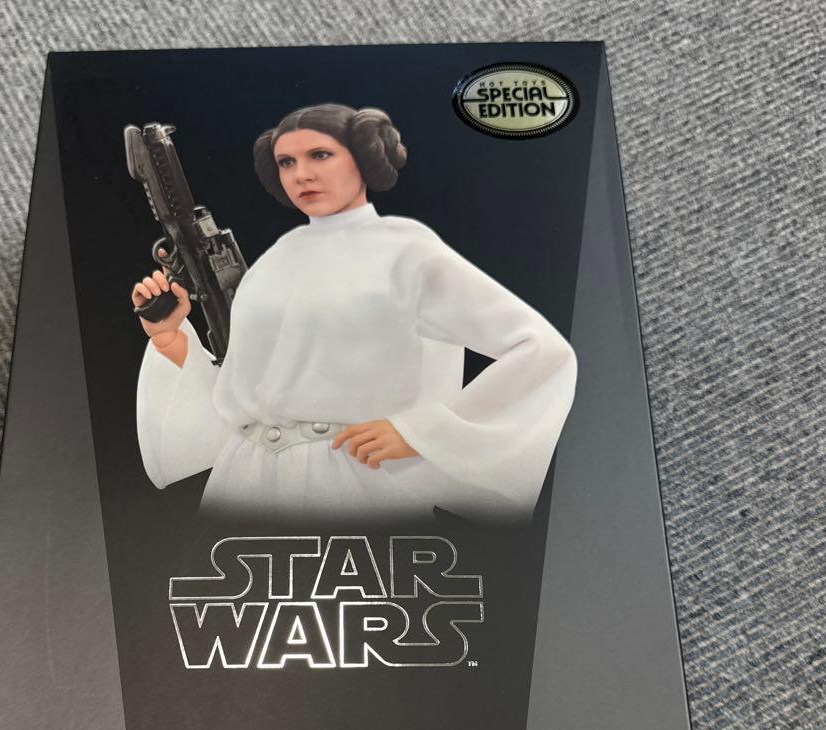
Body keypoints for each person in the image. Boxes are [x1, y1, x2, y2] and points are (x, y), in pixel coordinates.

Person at [132, 103, 576, 522]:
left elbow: (539, 349)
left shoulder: (405, 251)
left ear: (364, 158)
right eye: (287, 162)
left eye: (320, 155)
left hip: (352, 476)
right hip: (244, 480)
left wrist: (422, 432)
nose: (301, 174)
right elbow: (244, 395)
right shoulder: (273, 262)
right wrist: (172, 340)